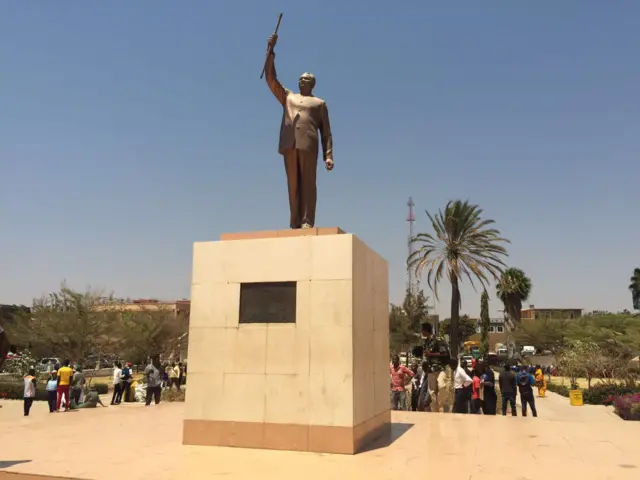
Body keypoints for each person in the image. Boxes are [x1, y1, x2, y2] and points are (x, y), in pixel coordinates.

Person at [264, 34, 334, 229]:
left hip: (308, 144)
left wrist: (328, 155)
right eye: (300, 79)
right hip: (289, 144)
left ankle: (307, 220)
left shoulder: (319, 103)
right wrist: (271, 51)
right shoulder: (288, 96)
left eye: (306, 79)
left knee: (308, 184)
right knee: (293, 185)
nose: (301, 81)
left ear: (312, 84)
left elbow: (327, 132)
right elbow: (271, 79)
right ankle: (295, 221)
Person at [411, 322, 451, 410]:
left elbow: (445, 353)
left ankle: (442, 407)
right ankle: (435, 411)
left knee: (442, 386)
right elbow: (426, 355)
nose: (421, 332)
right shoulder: (426, 342)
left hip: (441, 369)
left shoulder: (438, 340)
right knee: (432, 391)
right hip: (431, 370)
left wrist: (431, 354)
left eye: (422, 330)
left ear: (425, 330)